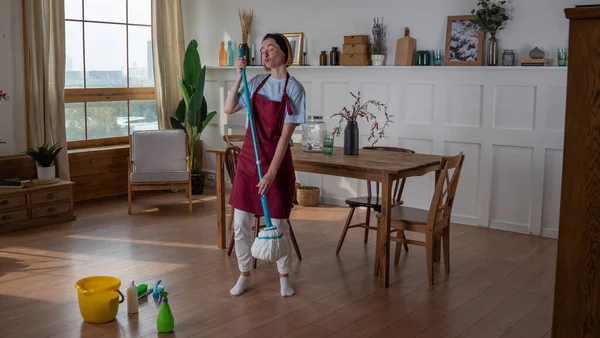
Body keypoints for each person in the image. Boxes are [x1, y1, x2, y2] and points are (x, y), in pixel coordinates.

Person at [223, 33, 306, 297]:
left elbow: (285, 135)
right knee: (240, 222)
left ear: (284, 52)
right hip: (249, 159)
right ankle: (244, 274)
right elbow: (228, 108)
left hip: (277, 162)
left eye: (271, 48)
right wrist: (239, 75)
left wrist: (271, 172)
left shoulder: (294, 89)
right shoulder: (256, 82)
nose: (265, 53)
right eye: (262, 50)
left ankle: (284, 278)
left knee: (279, 223)